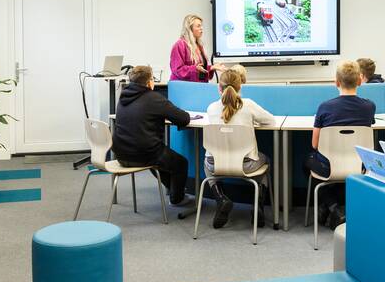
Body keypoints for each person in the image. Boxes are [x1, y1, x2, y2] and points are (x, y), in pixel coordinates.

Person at [304, 60, 375, 230]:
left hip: (329, 167)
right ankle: (335, 208)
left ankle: (333, 207)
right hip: (360, 166)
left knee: (307, 161)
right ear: (359, 80)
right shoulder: (369, 106)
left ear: (336, 82)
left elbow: (315, 144)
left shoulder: (325, 107)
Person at [204, 68, 276, 228]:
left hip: (216, 164)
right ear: (240, 87)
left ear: (219, 88)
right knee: (266, 161)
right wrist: (251, 123)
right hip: (246, 165)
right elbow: (271, 121)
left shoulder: (211, 108)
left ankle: (221, 198)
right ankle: (258, 206)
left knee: (207, 160)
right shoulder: (248, 105)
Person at [112, 65, 191, 205]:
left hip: (121, 155)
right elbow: (183, 118)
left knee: (162, 160)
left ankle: (173, 191)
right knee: (180, 163)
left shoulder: (123, 97)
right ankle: (177, 198)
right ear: (149, 82)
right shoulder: (154, 98)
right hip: (144, 155)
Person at [169, 14, 225, 82]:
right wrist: (195, 68)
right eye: (198, 26)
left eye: (201, 26)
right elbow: (177, 70)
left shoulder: (199, 46)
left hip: (198, 86)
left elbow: (201, 69)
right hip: (183, 88)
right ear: (190, 28)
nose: (201, 28)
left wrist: (211, 67)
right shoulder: (180, 45)